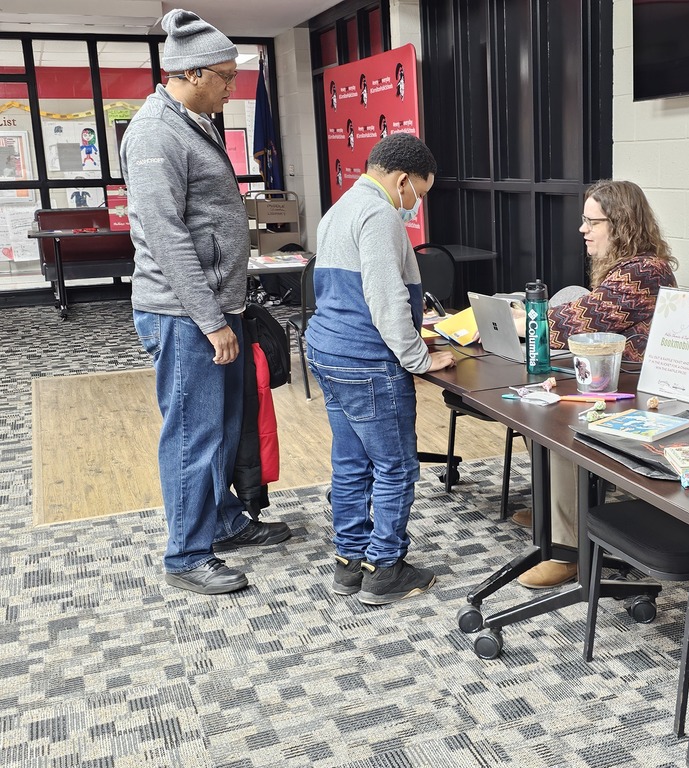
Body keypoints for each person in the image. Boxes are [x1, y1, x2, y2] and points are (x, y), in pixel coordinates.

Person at [122, 8, 291, 596]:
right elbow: (166, 237)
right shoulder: (154, 132)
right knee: (194, 431)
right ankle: (187, 554)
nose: (231, 87)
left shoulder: (195, 120)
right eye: (224, 77)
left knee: (220, 426)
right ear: (190, 73)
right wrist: (210, 319)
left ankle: (219, 518)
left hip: (218, 308)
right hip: (184, 314)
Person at [305, 132, 455, 606]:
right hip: (368, 360)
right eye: (418, 195)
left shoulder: (340, 208)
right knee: (395, 468)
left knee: (351, 466)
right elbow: (386, 298)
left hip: (328, 352)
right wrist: (420, 359)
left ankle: (350, 564)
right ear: (403, 180)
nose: (414, 206)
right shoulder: (379, 213)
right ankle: (385, 569)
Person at [513, 179, 677, 588]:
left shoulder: (644, 271)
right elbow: (586, 314)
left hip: (644, 395)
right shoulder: (626, 267)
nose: (583, 230)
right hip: (619, 384)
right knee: (543, 405)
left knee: (562, 426)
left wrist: (525, 321)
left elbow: (582, 320)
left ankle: (568, 550)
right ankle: (558, 510)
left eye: (592, 222)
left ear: (620, 224)